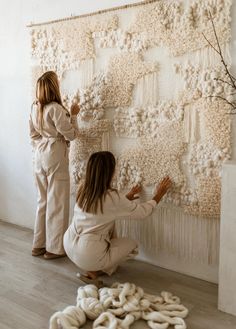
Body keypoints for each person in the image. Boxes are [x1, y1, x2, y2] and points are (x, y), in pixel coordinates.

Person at [63, 151, 172, 286]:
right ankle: (95, 269)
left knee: (107, 227)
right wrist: (159, 195)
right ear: (110, 171)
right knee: (132, 245)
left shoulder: (83, 188)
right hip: (87, 253)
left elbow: (99, 212)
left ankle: (94, 267)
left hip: (69, 244)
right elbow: (142, 212)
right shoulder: (112, 197)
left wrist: (126, 198)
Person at [29, 71, 80, 259]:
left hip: (39, 155)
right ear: (53, 86)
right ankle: (54, 248)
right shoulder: (56, 109)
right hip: (55, 155)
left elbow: (33, 135)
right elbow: (72, 135)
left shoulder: (35, 107)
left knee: (42, 201)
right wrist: (74, 115)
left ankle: (38, 245)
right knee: (57, 202)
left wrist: (43, 144)